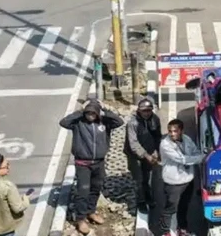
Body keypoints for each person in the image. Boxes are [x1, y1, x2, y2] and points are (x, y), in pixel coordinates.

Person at [59, 99, 124, 235]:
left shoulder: (104, 122)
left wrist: (106, 109)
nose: (90, 116)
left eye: (93, 113)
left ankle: (91, 211)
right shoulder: (78, 123)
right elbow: (64, 122)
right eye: (88, 113)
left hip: (99, 163)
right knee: (83, 191)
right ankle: (81, 219)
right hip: (83, 164)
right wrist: (79, 111)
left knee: (96, 188)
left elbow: (119, 122)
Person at [159, 119, 203, 236]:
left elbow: (195, 151)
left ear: (181, 131)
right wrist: (203, 158)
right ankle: (166, 231)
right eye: (170, 131)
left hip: (188, 180)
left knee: (184, 206)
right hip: (174, 182)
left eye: (175, 131)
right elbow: (182, 159)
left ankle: (182, 229)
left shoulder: (187, 139)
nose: (172, 134)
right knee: (170, 209)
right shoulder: (165, 144)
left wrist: (199, 155)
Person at [124, 98, 162, 213]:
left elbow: (157, 136)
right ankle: (141, 201)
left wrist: (157, 151)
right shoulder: (132, 123)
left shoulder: (155, 119)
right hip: (135, 156)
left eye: (148, 110)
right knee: (138, 180)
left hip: (149, 153)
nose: (146, 113)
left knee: (147, 178)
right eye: (144, 111)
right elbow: (133, 143)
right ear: (139, 111)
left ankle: (148, 196)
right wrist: (146, 155)